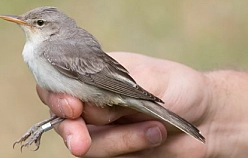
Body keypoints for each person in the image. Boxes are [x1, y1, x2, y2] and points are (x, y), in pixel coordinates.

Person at [36, 52, 248, 157]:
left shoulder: (53, 52)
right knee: (71, 111)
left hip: (109, 89)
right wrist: (214, 111)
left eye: (39, 23)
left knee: (72, 110)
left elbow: (99, 79)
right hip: (109, 90)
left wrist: (213, 110)